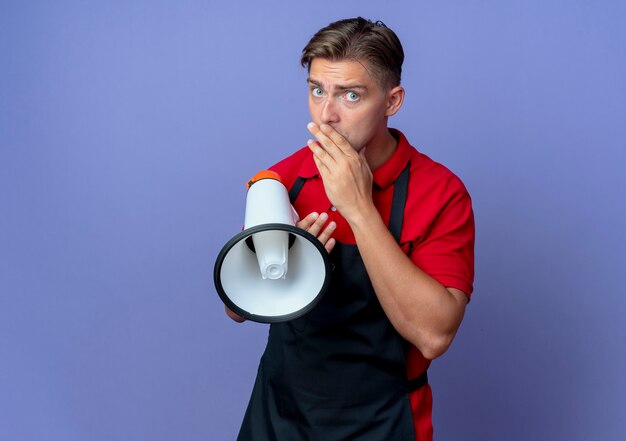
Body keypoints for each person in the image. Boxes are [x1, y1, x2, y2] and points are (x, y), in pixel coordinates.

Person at [225, 17, 475, 441]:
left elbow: (434, 336)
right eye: (317, 90)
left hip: (382, 421)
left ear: (392, 101)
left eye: (351, 95)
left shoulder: (441, 192)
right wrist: (288, 262)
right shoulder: (284, 179)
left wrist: (359, 209)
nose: (327, 115)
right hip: (280, 415)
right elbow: (236, 309)